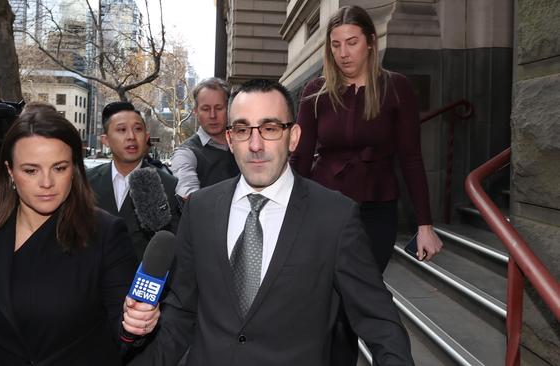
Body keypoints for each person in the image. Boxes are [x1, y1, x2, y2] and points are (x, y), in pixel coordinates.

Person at [129, 79, 413, 366]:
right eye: (242, 129)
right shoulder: (200, 209)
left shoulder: (335, 217)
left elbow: (380, 323)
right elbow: (182, 312)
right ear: (230, 140)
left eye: (270, 128)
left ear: (293, 137)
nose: (255, 145)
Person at [0, 107, 160, 365]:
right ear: (10, 171)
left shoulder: (105, 232)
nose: (46, 183)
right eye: (31, 170)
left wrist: (136, 326)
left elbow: (122, 335)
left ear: (75, 169)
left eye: (59, 168)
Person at [290, 5, 443, 272]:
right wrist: (285, 211)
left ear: (371, 42)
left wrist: (425, 225)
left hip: (377, 208)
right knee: (326, 292)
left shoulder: (397, 88)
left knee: (366, 291)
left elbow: (411, 159)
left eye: (352, 43)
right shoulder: (316, 91)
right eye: (335, 45)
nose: (343, 53)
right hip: (324, 205)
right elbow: (300, 157)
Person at [88, 101, 181, 260]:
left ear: (146, 138)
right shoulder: (85, 181)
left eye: (137, 129)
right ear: (105, 140)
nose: (131, 136)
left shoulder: (169, 185)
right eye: (121, 130)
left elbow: (174, 247)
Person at [171, 77, 239, 199]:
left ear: (229, 109)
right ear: (196, 111)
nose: (212, 115)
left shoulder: (244, 143)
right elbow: (188, 195)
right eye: (206, 109)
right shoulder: (186, 153)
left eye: (219, 108)